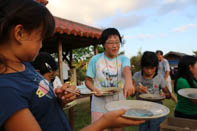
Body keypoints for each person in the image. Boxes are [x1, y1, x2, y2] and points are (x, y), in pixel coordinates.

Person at [0, 0, 145, 130]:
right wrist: (102, 124)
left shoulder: (25, 67)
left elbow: (39, 106)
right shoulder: (5, 90)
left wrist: (59, 100)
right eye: (40, 38)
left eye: (117, 42)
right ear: (19, 33)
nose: (41, 44)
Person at [85, 28, 135, 131]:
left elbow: (126, 70)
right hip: (99, 102)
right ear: (103, 44)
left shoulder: (123, 59)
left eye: (117, 42)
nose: (115, 45)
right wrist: (94, 89)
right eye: (111, 42)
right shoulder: (95, 60)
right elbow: (88, 81)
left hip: (119, 101)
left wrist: (129, 82)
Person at [132, 51, 171, 131]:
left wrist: (164, 95)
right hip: (141, 111)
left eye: (152, 68)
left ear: (156, 67)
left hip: (157, 111)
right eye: (146, 68)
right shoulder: (137, 76)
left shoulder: (159, 78)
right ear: (142, 66)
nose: (149, 71)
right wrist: (136, 89)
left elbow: (169, 94)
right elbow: (131, 94)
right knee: (143, 129)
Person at [174, 55, 197, 120]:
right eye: (196, 65)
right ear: (190, 67)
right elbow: (194, 99)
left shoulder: (192, 79)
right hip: (186, 115)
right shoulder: (182, 81)